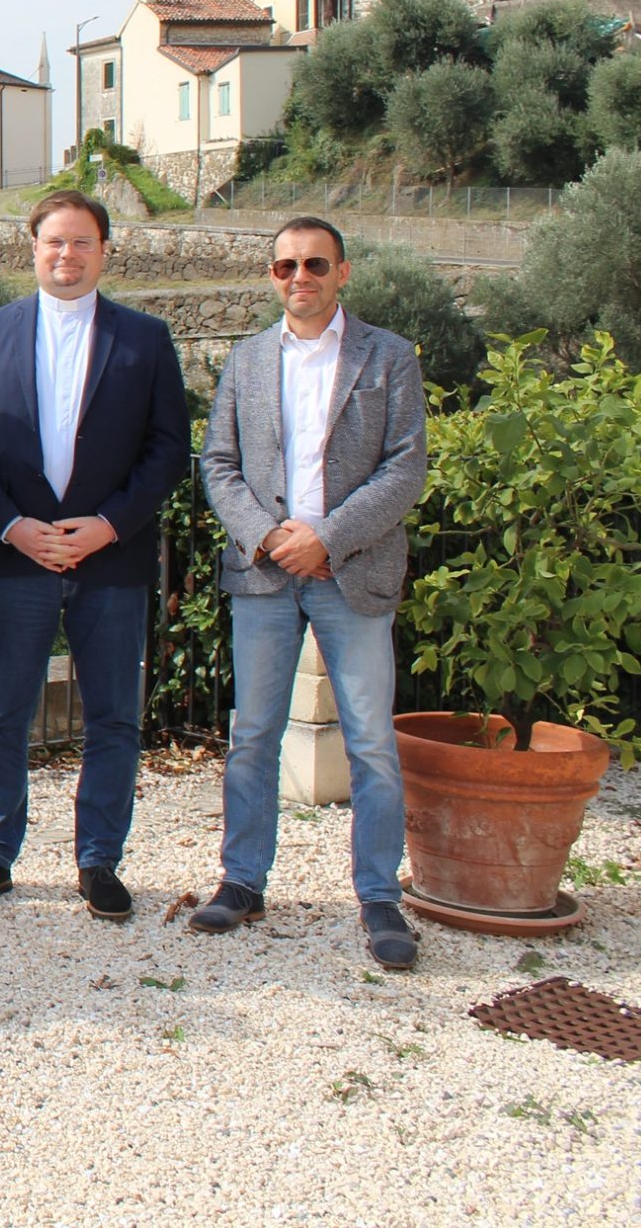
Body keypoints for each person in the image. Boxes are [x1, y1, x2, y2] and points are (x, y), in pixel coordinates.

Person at [0, 189, 190, 920]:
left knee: (113, 716)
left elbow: (168, 448)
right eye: (55, 241)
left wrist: (110, 524)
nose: (67, 255)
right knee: (1, 711)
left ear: (104, 251)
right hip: (19, 556)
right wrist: (13, 524)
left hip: (110, 558)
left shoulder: (146, 339)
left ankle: (99, 860)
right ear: (33, 247)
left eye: (82, 242)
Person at [193, 217, 429, 969]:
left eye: (316, 263)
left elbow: (404, 468)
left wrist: (327, 537)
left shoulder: (388, 357)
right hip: (264, 574)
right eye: (287, 265)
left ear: (343, 272)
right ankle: (242, 880)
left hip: (350, 573)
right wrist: (270, 536)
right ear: (272, 276)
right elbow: (219, 465)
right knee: (252, 735)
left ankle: (378, 895)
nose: (301, 276)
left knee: (371, 743)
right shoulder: (247, 360)